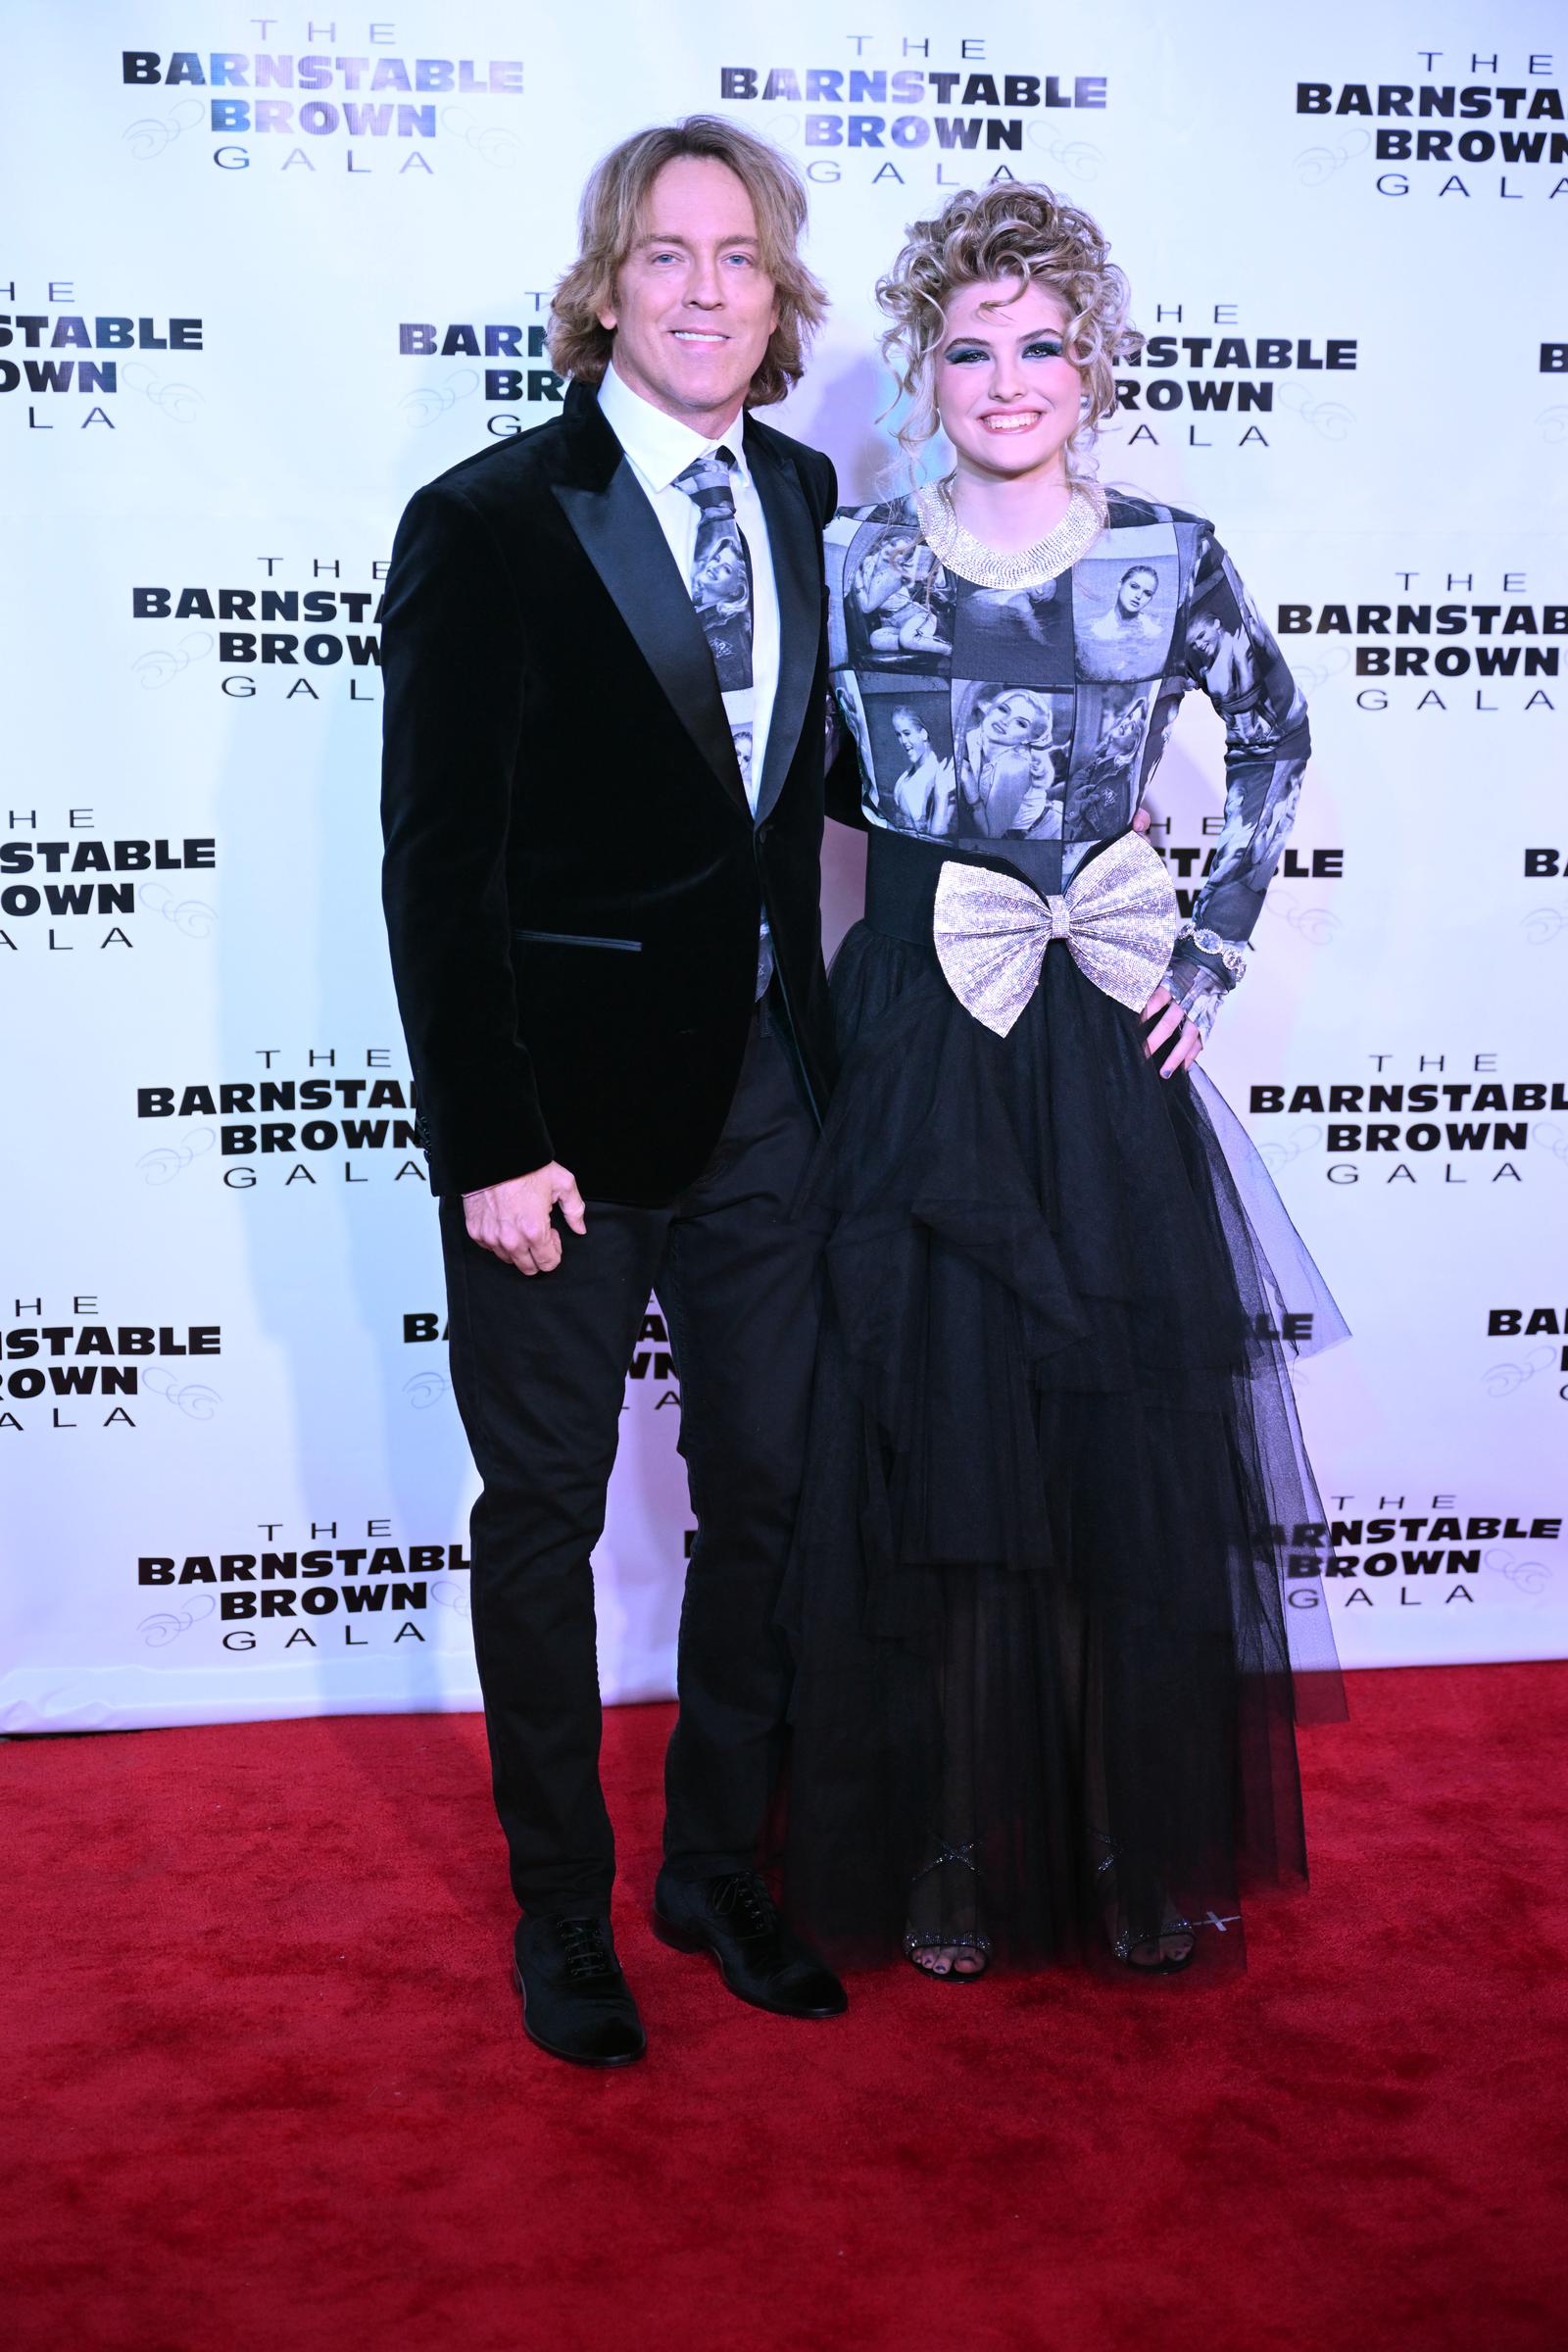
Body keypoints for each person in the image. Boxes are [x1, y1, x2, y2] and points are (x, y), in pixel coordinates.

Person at [783, 183, 1345, 1984]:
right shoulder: (855, 555)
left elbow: (1272, 727)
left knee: (1118, 1446)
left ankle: (1127, 1835)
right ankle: (951, 1838)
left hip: (1098, 1036)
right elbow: (774, 784)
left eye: (1042, 345)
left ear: (1092, 365)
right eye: (969, 348)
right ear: (925, 374)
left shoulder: (1170, 550)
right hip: (917, 1035)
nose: (1007, 380)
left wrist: (1213, 945)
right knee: (933, 1436)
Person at [380, 117, 848, 2068]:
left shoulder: (812, 496)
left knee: (765, 1500)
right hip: (556, 1132)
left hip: (767, 1096)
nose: (705, 289)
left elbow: (810, 800)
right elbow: (437, 866)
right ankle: (559, 1912)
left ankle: (713, 1871)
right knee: (545, 1520)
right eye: (665, 255)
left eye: (738, 257)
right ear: (602, 285)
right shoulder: (487, 520)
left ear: (777, 292)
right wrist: (488, 1141)